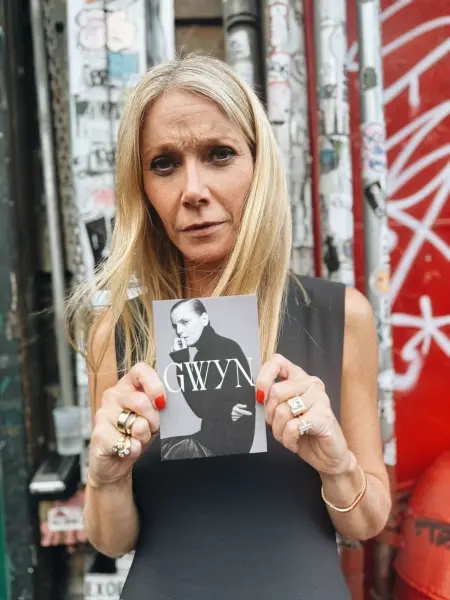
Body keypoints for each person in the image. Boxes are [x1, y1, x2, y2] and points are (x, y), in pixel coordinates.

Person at [67, 53, 391, 600]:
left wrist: (337, 463)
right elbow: (112, 539)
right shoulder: (118, 334)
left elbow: (368, 522)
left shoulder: (339, 315)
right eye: (164, 164)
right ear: (141, 187)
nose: (193, 190)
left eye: (219, 154)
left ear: (259, 166)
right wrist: (106, 475)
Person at [161, 298, 256, 459]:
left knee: (160, 451)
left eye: (185, 322)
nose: (179, 331)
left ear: (204, 319)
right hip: (210, 443)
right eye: (175, 326)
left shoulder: (225, 348)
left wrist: (182, 363)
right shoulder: (205, 353)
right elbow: (204, 405)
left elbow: (201, 408)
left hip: (220, 450)